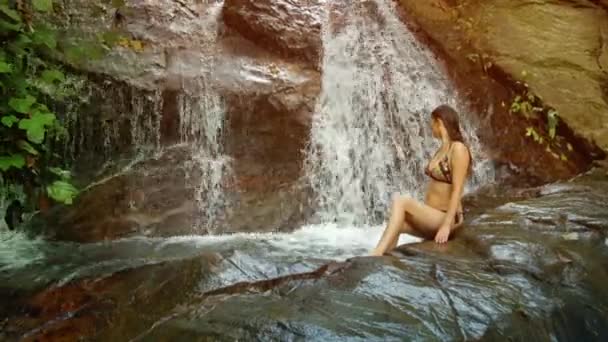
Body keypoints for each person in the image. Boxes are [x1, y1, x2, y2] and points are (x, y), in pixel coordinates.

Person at [371, 105, 472, 256]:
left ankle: (375, 255)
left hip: (444, 218)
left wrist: (446, 225)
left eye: (432, 123)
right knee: (398, 223)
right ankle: (386, 261)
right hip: (431, 217)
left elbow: (458, 189)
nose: (431, 128)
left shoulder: (458, 149)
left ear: (439, 122)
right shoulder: (442, 149)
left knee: (401, 201)